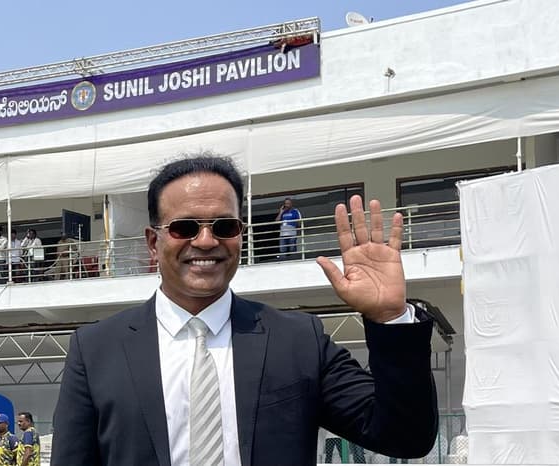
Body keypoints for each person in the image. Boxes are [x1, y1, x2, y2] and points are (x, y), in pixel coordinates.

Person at [52, 155, 438, 466]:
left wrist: (390, 317)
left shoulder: (298, 340)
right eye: (185, 228)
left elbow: (405, 436)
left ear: (241, 234)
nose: (206, 241)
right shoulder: (97, 349)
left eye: (224, 226)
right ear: (154, 242)